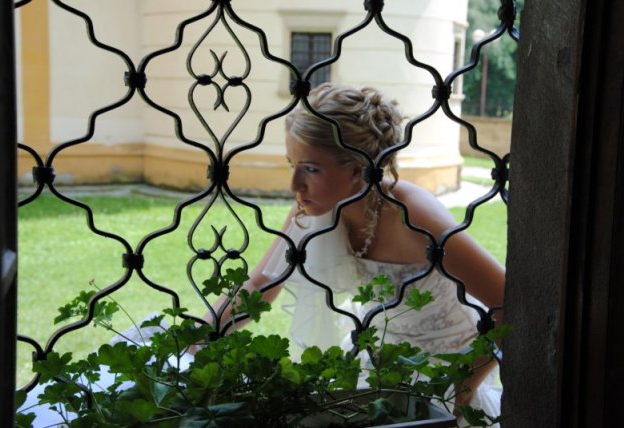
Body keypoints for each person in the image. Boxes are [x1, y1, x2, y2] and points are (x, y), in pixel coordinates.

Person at [209, 82, 505, 425]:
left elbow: (508, 303)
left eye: (311, 169)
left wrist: (463, 386)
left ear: (357, 169)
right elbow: (262, 284)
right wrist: (200, 339)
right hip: (380, 380)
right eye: (292, 164)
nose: (294, 185)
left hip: (447, 385)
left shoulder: (414, 215)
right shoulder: (311, 208)